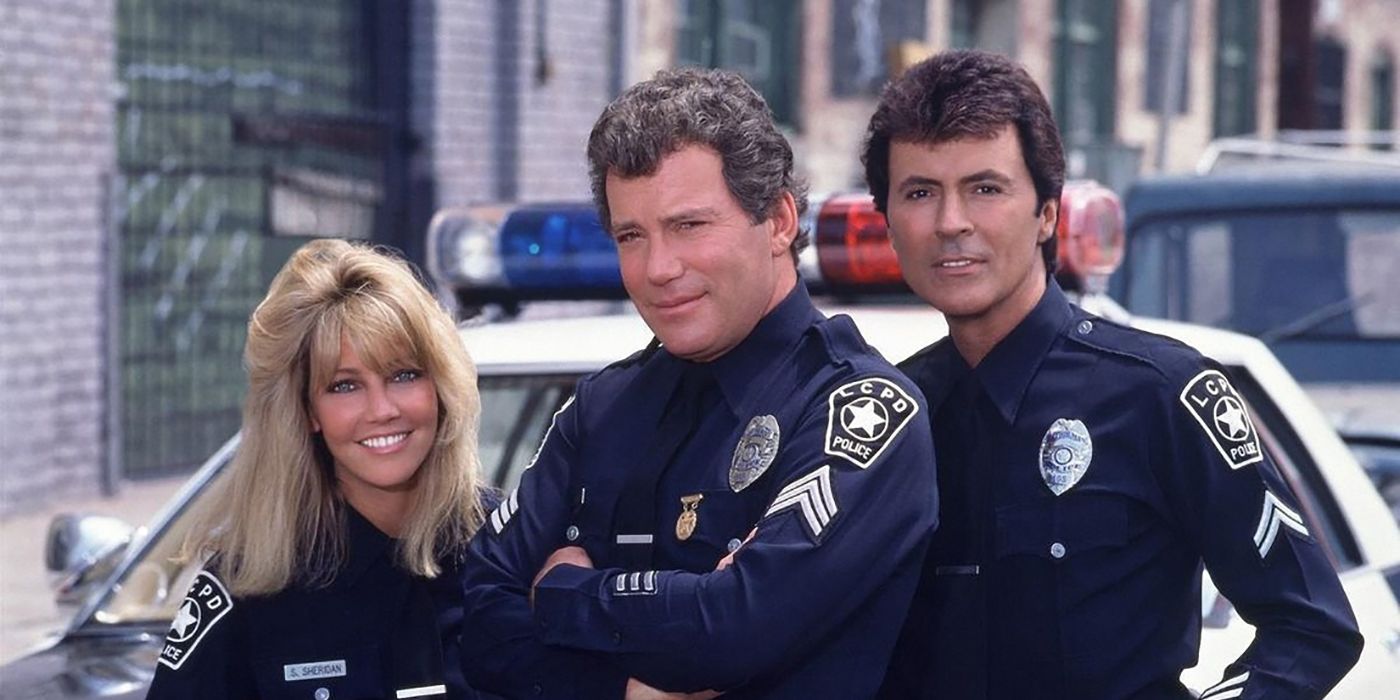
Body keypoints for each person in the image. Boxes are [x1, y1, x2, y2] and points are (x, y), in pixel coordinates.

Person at [866, 50, 1363, 699]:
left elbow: (1312, 625)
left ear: (1047, 212)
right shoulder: (884, 419)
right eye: (920, 192)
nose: (950, 222)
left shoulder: (1161, 393)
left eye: (985, 188)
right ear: (890, 222)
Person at [459, 67, 938, 700]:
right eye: (632, 236)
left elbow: (740, 626)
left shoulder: (857, 411)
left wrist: (565, 591)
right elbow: (480, 614)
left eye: (689, 226)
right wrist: (622, 689)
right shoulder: (603, 408)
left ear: (778, 221)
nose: (659, 268)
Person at [147, 239, 498, 699]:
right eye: (344, 385)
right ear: (307, 411)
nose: (381, 409)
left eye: (404, 375)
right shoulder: (250, 584)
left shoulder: (510, 551)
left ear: (440, 388)